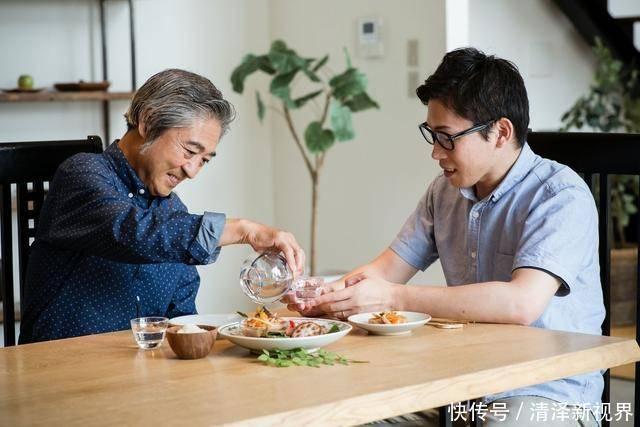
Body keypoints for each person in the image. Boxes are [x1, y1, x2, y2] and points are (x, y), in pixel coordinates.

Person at [289, 48, 603, 426]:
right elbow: (387, 270)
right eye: (432, 135)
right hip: (459, 385)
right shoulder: (444, 192)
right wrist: (327, 297)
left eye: (447, 138)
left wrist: (392, 297)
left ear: (500, 132)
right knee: (341, 415)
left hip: (545, 391)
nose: (436, 153)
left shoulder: (560, 196)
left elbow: (522, 303)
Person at [20, 69, 304, 344]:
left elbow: (182, 319)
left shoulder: (173, 213)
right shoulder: (81, 175)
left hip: (142, 377)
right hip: (60, 373)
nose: (192, 171)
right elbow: (135, 233)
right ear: (148, 122)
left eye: (204, 160)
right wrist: (243, 230)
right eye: (190, 151)